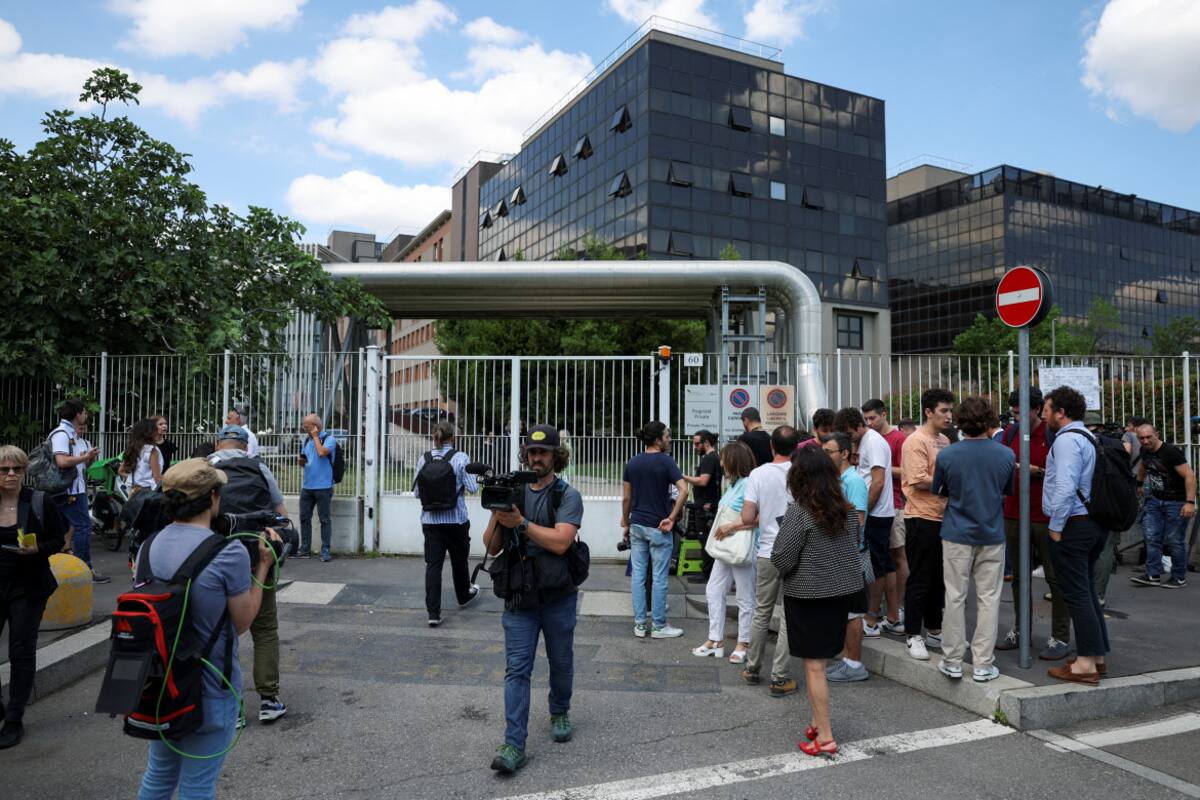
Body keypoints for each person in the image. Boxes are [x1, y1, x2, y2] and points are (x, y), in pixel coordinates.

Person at [135, 458, 277, 799]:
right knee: (197, 787)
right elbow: (243, 622)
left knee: (158, 776)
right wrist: (264, 566)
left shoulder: (147, 548)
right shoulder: (227, 553)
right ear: (213, 497)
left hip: (161, 684)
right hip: (211, 686)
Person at [482, 425, 584, 774]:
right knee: (517, 670)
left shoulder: (566, 496)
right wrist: (500, 508)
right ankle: (513, 744)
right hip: (519, 596)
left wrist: (521, 523)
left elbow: (560, 542)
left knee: (561, 661)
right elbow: (490, 546)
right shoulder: (514, 492)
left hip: (558, 596)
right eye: (531, 452)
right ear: (524, 455)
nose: (536, 458)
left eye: (543, 453)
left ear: (557, 457)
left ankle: (559, 710)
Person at [771, 446, 866, 756]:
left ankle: (825, 736)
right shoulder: (847, 510)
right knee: (821, 664)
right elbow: (850, 548)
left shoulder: (800, 512)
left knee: (814, 668)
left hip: (808, 596)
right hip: (840, 594)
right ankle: (816, 720)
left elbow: (782, 557)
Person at [208, 425, 290, 726]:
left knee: (222, 631)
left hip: (216, 560)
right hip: (258, 557)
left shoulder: (205, 469)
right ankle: (269, 699)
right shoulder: (259, 467)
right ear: (245, 447)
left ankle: (234, 707)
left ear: (218, 444)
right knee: (265, 628)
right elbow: (280, 514)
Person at [932, 397, 1014, 683]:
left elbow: (940, 491)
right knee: (989, 598)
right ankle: (982, 663)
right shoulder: (1005, 455)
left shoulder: (947, 455)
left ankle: (952, 659)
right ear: (989, 420)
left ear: (960, 421)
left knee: (954, 596)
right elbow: (1007, 490)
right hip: (991, 532)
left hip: (956, 531)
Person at [995, 388, 1071, 659]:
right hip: (1014, 514)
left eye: (1021, 411)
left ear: (1038, 409)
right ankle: (1021, 630)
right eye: (1014, 412)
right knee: (1018, 577)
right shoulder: (1010, 434)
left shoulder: (1053, 436)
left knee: (1055, 578)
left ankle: (1060, 637)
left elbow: (1065, 473)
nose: (1017, 416)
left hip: (1046, 517)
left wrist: (1038, 472)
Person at [0, 445, 68, 749]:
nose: (12, 474)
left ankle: (14, 718)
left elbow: (60, 536)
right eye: (4, 470)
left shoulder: (38, 501)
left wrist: (38, 549)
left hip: (28, 587)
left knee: (20, 650)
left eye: (17, 469)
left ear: (25, 471)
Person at [1041, 386, 1109, 685]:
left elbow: (1066, 487)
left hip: (1073, 524)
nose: (1043, 415)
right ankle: (1095, 656)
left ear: (1061, 412)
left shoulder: (1067, 441)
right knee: (1088, 591)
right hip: (1093, 523)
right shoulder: (1089, 437)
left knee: (1077, 594)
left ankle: (1084, 665)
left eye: (1046, 409)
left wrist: (1055, 527)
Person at [740, 425, 801, 697]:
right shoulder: (801, 474)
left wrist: (765, 515)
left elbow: (746, 516)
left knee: (761, 610)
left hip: (766, 551)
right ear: (796, 448)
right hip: (796, 552)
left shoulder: (757, 473)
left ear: (771, 447)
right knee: (789, 615)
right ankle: (780, 677)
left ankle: (752, 667)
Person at [834, 407, 899, 639]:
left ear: (860, 426)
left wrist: (864, 512)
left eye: (850, 434)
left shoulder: (872, 442)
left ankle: (871, 618)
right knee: (885, 564)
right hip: (877, 513)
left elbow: (878, 482)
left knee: (875, 568)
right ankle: (892, 616)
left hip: (876, 514)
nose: (849, 439)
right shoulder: (866, 441)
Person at [900, 388, 954, 660]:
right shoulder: (915, 441)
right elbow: (918, 479)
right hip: (921, 517)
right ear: (928, 412)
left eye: (950, 410)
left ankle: (934, 629)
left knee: (939, 580)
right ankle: (913, 634)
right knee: (920, 578)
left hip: (943, 516)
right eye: (943, 410)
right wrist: (952, 483)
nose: (949, 415)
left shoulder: (944, 439)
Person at [692, 441, 757, 664]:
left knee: (745, 596)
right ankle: (715, 639)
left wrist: (731, 526)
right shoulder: (734, 484)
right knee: (713, 590)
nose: (721, 463)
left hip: (738, 546)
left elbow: (759, 516)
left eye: (724, 459)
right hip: (727, 547)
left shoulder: (748, 483)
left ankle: (743, 643)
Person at [621, 422, 686, 638]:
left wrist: (625, 522)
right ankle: (659, 626)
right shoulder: (666, 461)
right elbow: (684, 491)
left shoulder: (632, 462)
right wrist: (672, 517)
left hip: (637, 524)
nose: (669, 439)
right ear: (658, 440)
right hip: (659, 526)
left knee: (638, 575)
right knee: (659, 577)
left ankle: (640, 624)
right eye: (667, 436)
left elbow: (627, 498)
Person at [413, 421, 481, 626]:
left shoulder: (423, 459)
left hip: (430, 521)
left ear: (435, 436)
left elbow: (417, 493)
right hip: (456, 520)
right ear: (453, 437)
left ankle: (433, 613)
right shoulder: (460, 458)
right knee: (459, 561)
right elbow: (473, 488)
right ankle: (463, 595)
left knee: (433, 565)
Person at [820, 432, 870, 683]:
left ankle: (854, 664)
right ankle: (847, 660)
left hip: (851, 557)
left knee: (853, 613)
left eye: (828, 451)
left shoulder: (854, 482)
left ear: (845, 454)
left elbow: (857, 522)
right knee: (845, 611)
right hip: (839, 555)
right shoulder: (838, 480)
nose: (824, 456)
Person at [49, 400, 107, 583]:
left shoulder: (72, 434)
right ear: (78, 414)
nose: (86, 415)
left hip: (73, 488)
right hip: (70, 490)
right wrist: (84, 456)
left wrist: (88, 459)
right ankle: (84, 570)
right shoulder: (62, 434)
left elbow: (80, 465)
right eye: (84, 412)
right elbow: (61, 461)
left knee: (62, 528)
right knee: (83, 527)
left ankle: (60, 570)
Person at [1132, 421, 1195, 589]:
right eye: (1141, 438)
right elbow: (1143, 467)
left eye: (1148, 437)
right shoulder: (1144, 450)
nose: (1145, 441)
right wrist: (1139, 484)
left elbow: (1189, 475)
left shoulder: (1170, 452)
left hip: (1176, 501)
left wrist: (1190, 502)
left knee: (1174, 540)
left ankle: (1178, 577)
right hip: (1155, 500)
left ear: (1157, 435)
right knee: (1151, 537)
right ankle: (1153, 574)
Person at [862, 399, 908, 619]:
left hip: (895, 503)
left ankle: (897, 606)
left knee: (896, 556)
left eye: (873, 418)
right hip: (882, 504)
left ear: (884, 414)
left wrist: (881, 468)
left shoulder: (897, 438)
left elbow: (907, 471)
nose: (870, 423)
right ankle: (889, 608)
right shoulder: (869, 439)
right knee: (882, 559)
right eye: (867, 419)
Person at [682, 430, 721, 584]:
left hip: (706, 508)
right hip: (708, 506)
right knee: (706, 539)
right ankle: (708, 572)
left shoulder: (709, 459)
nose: (695, 447)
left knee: (705, 539)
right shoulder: (713, 458)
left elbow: (703, 481)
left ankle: (708, 574)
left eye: (697, 444)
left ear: (706, 443)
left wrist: (682, 476)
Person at [297, 413, 337, 562]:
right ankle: (305, 548)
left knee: (324, 519)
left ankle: (325, 550)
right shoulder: (306, 440)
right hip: (307, 486)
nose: (303, 428)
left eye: (306, 426)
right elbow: (304, 460)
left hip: (324, 487)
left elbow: (321, 453)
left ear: (315, 426)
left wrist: (315, 437)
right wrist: (301, 461)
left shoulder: (329, 439)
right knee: (304, 518)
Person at [120, 418, 163, 494]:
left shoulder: (133, 448)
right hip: (147, 491)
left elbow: (121, 471)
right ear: (149, 433)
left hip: (131, 490)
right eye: (155, 430)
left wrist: (136, 479)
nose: (157, 432)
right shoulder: (152, 450)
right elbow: (157, 477)